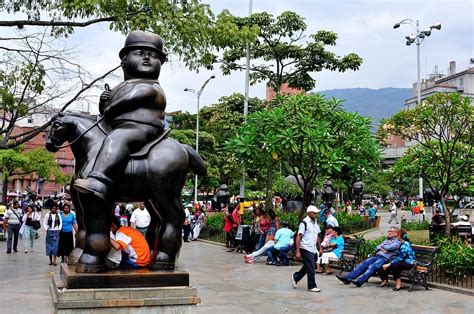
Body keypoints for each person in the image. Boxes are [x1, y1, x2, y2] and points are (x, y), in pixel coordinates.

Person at [73, 30, 167, 200]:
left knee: (116, 139)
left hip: (142, 129)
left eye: (153, 55)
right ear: (124, 61)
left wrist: (112, 107)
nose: (146, 57)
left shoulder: (150, 86)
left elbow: (134, 98)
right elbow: (106, 114)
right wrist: (104, 103)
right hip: (118, 126)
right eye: (139, 53)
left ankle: (98, 180)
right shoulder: (121, 86)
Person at [336, 227, 401, 287]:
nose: (389, 232)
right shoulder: (387, 240)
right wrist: (384, 248)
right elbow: (377, 247)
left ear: (396, 233)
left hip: (385, 259)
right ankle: (347, 279)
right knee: (363, 264)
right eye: (389, 231)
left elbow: (390, 247)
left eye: (391, 231)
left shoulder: (397, 242)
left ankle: (359, 281)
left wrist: (383, 247)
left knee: (372, 267)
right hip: (377, 256)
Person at [291, 205, 323, 293]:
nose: (316, 214)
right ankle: (312, 286)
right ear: (309, 213)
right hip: (305, 247)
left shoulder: (315, 222)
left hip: (313, 248)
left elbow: (317, 236)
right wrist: (298, 251)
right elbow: (298, 236)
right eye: (314, 212)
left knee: (309, 265)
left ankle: (296, 277)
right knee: (311, 267)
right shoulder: (304, 223)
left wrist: (320, 248)